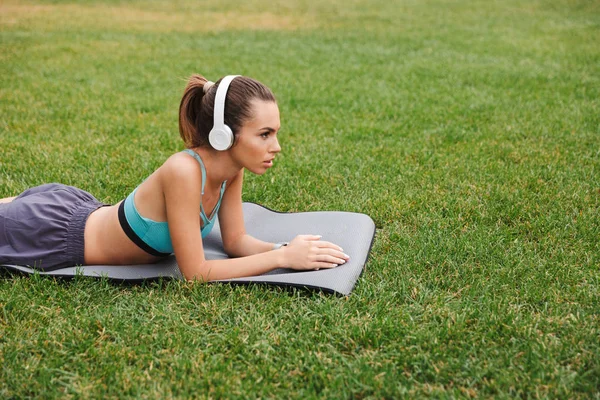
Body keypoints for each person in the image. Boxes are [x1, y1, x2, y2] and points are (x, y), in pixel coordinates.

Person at [0, 74, 349, 281]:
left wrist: (286, 248)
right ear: (224, 136)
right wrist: (281, 260)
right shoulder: (184, 171)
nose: (277, 146)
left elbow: (235, 241)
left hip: (78, 210)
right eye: (264, 134)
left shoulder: (230, 171)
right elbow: (195, 272)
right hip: (52, 235)